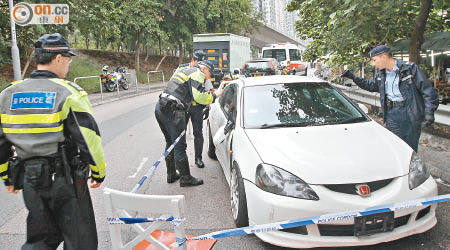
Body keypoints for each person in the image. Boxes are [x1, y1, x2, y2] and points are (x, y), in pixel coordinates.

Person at [0, 33, 106, 249]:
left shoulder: (8, 94)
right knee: (80, 241)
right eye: (68, 60)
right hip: (65, 180)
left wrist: (6, 177)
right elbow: (88, 137)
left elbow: (1, 142)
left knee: (40, 241)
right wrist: (98, 171)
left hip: (30, 179)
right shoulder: (68, 93)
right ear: (59, 58)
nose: (68, 65)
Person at [341, 45, 439, 152]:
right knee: (393, 146)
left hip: (409, 113)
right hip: (391, 114)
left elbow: (428, 92)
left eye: (374, 60)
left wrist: (429, 112)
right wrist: (353, 77)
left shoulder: (410, 69)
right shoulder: (382, 74)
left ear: (384, 57)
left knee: (409, 149)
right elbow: (370, 85)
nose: (373, 64)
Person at [155, 60, 221, 187]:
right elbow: (199, 97)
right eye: (209, 73)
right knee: (180, 145)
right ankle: (185, 178)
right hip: (173, 110)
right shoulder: (198, 73)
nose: (209, 77)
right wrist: (214, 96)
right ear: (205, 69)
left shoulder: (185, 71)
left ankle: (171, 174)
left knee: (170, 142)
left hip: (161, 106)